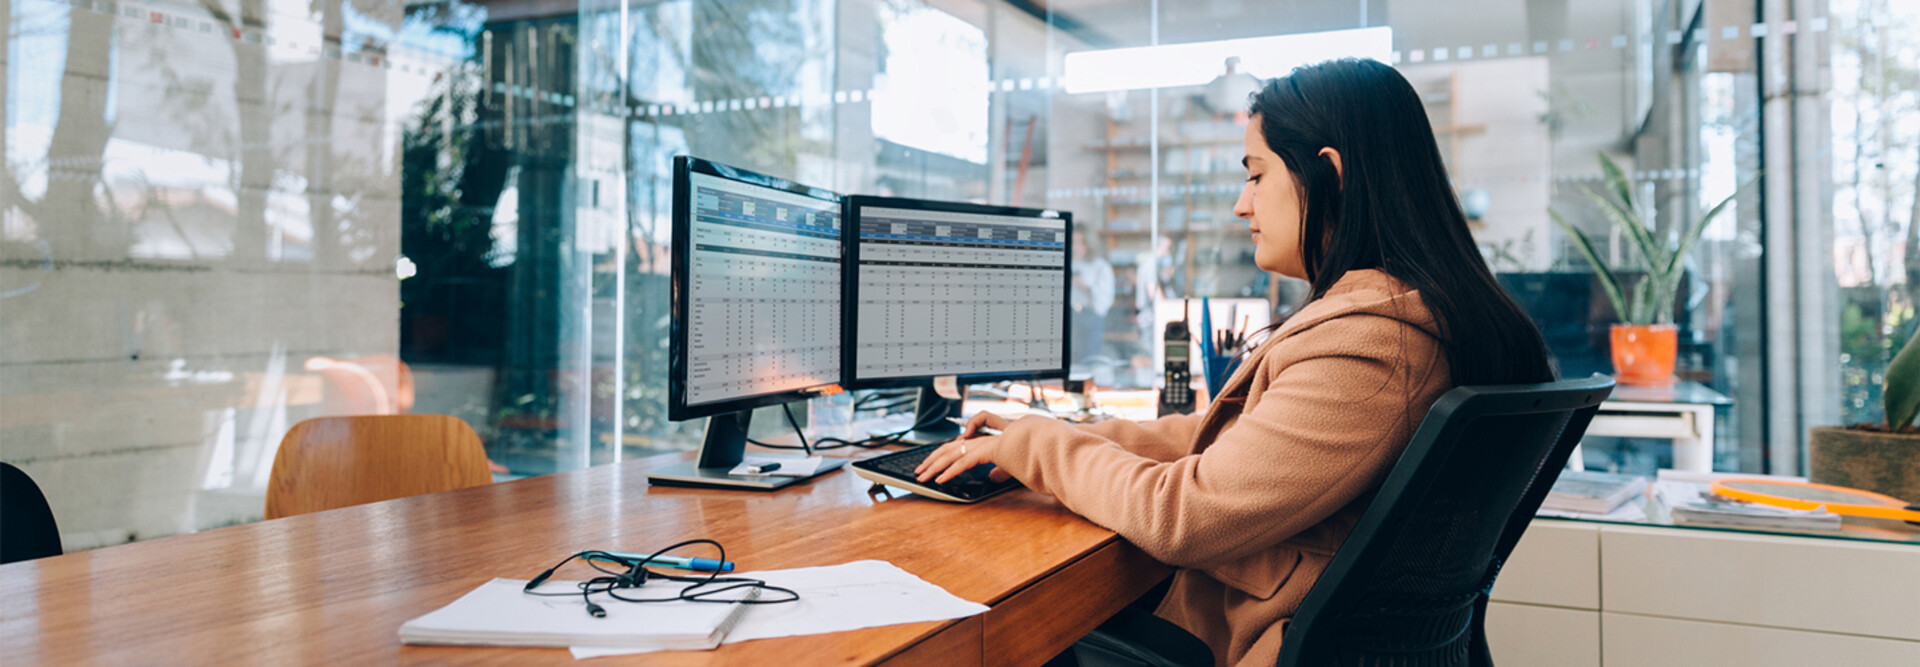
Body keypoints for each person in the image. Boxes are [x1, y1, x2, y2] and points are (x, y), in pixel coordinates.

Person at [915, 58, 1553, 666]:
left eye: (1256, 174)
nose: (1241, 205)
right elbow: (1226, 441)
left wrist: (1044, 450)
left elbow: (1182, 517)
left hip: (1238, 644)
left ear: (1329, 176)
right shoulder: (1404, 320)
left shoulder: (1376, 349)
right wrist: (1056, 438)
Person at [1070, 228, 1115, 364]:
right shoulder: (1066, 263)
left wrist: (1086, 287)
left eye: (1080, 242)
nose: (1075, 247)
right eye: (1073, 242)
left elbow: (1105, 298)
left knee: (1089, 361)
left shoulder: (1100, 266)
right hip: (1070, 317)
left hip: (1090, 317)